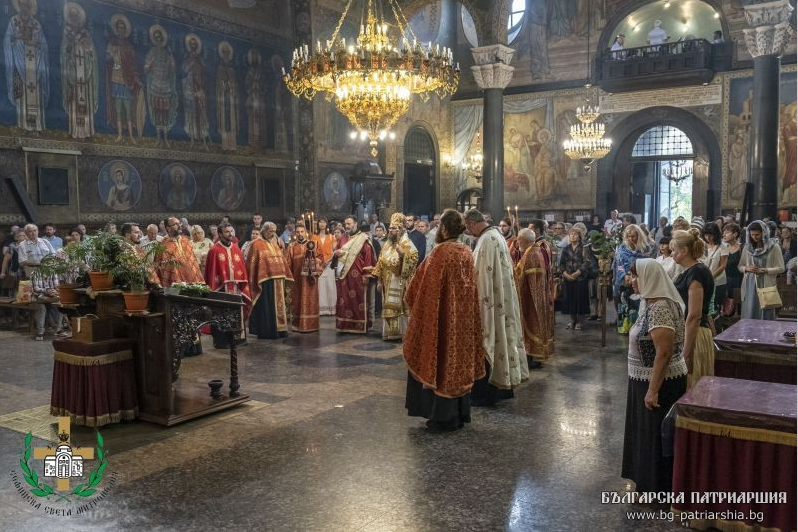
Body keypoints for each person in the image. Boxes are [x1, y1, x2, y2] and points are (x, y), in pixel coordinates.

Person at [403, 209, 485, 432]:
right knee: (457, 363)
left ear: (445, 228)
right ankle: (459, 413)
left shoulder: (440, 253)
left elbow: (420, 289)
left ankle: (442, 416)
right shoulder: (466, 251)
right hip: (462, 323)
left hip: (442, 320)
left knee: (440, 359)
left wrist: (414, 305)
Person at [621, 259, 688, 493]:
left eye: (635, 276)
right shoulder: (653, 302)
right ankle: (650, 484)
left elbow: (664, 351)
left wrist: (652, 389)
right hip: (648, 378)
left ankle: (653, 488)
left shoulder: (659, 306)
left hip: (658, 381)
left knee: (653, 437)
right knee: (647, 434)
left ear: (649, 278)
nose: (631, 281)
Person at [464, 209, 529, 406]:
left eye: (468, 227)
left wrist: (473, 302)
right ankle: (502, 388)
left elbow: (480, 277)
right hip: (502, 300)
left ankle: (486, 394)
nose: (468, 231)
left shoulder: (485, 241)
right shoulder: (497, 236)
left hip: (490, 303)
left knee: (490, 340)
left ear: (473, 223)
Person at [670, 229, 714, 388]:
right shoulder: (691, 271)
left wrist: (686, 354)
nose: (672, 253)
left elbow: (694, 315)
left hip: (694, 336)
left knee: (692, 386)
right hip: (689, 333)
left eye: (674, 249)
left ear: (684, 250)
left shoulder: (697, 272)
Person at [372, 213, 418, 341]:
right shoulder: (387, 244)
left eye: (393, 228)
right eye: (390, 228)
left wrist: (403, 254)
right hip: (387, 280)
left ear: (401, 229)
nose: (390, 230)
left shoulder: (407, 242)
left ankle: (403, 333)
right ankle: (391, 333)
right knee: (388, 307)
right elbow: (380, 261)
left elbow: (414, 258)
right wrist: (379, 280)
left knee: (401, 307)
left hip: (400, 281)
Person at [205, 222, 252, 348]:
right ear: (220, 234)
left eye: (232, 231)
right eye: (227, 232)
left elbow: (242, 270)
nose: (230, 234)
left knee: (237, 312)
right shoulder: (214, 250)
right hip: (220, 289)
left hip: (236, 288)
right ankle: (222, 341)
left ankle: (238, 339)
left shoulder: (236, 249)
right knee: (221, 313)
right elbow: (211, 273)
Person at [514, 226, 555, 365]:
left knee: (531, 323)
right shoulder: (537, 250)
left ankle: (530, 357)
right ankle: (535, 355)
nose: (517, 244)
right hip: (539, 295)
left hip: (530, 297)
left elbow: (519, 276)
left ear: (522, 240)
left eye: (518, 241)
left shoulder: (530, 254)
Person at [247, 222, 292, 339]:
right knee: (267, 307)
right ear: (264, 230)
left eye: (274, 231)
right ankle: (268, 331)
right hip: (264, 280)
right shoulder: (256, 244)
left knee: (279, 306)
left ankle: (281, 329)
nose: (272, 234)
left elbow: (281, 258)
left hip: (278, 280)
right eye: (270, 231)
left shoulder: (274, 243)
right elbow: (252, 263)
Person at [331, 216, 376, 334]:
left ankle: (359, 326)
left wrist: (366, 275)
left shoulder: (363, 239)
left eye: (349, 223)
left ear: (355, 224)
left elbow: (368, 258)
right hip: (344, 276)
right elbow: (336, 253)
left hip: (358, 278)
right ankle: (344, 326)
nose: (347, 226)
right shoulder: (343, 238)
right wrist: (336, 254)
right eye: (345, 224)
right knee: (344, 301)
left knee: (358, 301)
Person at [738, 221, 785, 321]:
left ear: (764, 233)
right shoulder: (747, 247)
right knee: (749, 311)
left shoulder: (774, 247)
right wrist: (746, 268)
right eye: (752, 234)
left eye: (757, 234)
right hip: (749, 285)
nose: (754, 237)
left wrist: (764, 270)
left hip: (766, 285)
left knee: (765, 312)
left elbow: (781, 268)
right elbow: (740, 266)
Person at [613, 224, 650, 334]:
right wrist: (625, 276)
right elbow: (619, 265)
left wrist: (636, 277)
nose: (631, 239)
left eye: (633, 236)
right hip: (625, 281)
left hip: (639, 281)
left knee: (637, 305)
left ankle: (637, 328)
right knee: (624, 304)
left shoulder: (645, 248)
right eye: (628, 236)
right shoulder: (622, 248)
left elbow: (648, 264)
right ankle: (624, 328)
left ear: (639, 235)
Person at [286, 224, 322, 333]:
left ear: (305, 232)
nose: (300, 234)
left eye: (302, 231)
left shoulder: (313, 244)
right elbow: (287, 263)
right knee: (297, 302)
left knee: (311, 301)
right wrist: (289, 279)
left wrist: (314, 262)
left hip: (311, 280)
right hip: (297, 280)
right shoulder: (291, 246)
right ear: (295, 233)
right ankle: (297, 324)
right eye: (298, 232)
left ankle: (311, 324)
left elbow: (321, 259)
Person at [154, 217, 204, 287]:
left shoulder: (186, 240)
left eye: (179, 223)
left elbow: (193, 262)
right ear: (168, 228)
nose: (180, 225)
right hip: (175, 285)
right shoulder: (163, 246)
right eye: (176, 224)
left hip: (193, 282)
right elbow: (160, 267)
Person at [560, 227, 592, 331]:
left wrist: (578, 273)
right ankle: (573, 320)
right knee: (570, 300)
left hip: (580, 277)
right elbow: (561, 264)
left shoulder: (584, 248)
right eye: (571, 234)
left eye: (575, 234)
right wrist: (565, 273)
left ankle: (580, 321)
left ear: (579, 236)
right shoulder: (566, 248)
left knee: (580, 300)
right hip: (568, 278)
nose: (572, 236)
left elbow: (587, 262)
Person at [700, 223, 728, 317]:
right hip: (703, 281)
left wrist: (711, 277)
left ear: (716, 234)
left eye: (711, 235)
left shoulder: (722, 246)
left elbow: (722, 266)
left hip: (718, 281)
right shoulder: (702, 245)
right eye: (706, 235)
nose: (708, 237)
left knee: (715, 308)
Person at [312, 217, 336, 316]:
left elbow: (334, 251)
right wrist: (318, 261)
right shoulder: (314, 237)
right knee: (320, 286)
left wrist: (328, 261)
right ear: (318, 224)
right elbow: (312, 251)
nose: (322, 224)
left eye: (324, 222)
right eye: (320, 222)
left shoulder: (331, 237)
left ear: (326, 224)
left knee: (330, 285)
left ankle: (332, 309)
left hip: (329, 264)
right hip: (319, 264)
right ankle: (322, 309)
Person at [722, 223, 742, 315]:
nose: (724, 234)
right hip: (725, 279)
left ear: (735, 234)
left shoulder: (742, 247)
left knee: (738, 305)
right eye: (723, 232)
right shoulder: (723, 248)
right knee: (726, 305)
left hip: (738, 279)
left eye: (727, 232)